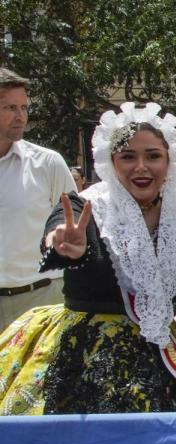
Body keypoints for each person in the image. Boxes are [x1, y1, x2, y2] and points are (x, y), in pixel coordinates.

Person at [0, 102, 176, 415]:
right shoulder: (88, 206)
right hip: (85, 356)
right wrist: (64, 244)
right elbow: (62, 229)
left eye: (153, 156)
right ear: (111, 161)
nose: (141, 167)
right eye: (128, 157)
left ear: (170, 160)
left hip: (163, 355)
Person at [0, 68, 76, 330]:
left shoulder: (47, 164)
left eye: (24, 107)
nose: (20, 117)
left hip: (40, 301)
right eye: (10, 108)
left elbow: (75, 222)